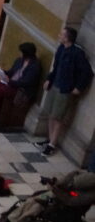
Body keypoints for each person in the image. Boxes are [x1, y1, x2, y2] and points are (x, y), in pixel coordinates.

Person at [39, 25, 92, 156]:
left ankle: (52, 144)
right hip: (55, 85)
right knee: (51, 114)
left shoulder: (77, 53)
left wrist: (78, 88)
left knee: (58, 117)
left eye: (61, 35)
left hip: (65, 89)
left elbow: (87, 72)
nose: (59, 36)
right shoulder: (61, 48)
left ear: (67, 38)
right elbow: (56, 66)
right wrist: (49, 79)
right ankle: (49, 138)